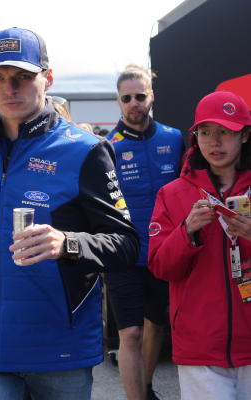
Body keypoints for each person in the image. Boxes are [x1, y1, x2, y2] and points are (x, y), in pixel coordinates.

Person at [0, 27, 140, 400]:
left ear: (48, 78)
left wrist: (67, 243)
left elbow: (127, 245)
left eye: (23, 76)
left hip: (60, 350)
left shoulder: (86, 150)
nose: (10, 88)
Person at [149, 91, 251, 400]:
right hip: (200, 348)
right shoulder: (172, 193)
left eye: (225, 132)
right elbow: (160, 267)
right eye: (205, 133)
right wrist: (187, 232)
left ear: (245, 135)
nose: (215, 142)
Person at [105, 65, 183, 400]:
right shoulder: (107, 145)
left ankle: (146, 389)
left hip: (164, 251)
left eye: (139, 96)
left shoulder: (174, 138)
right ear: (118, 101)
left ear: (151, 96)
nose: (133, 103)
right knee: (131, 333)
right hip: (123, 254)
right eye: (126, 98)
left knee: (154, 324)